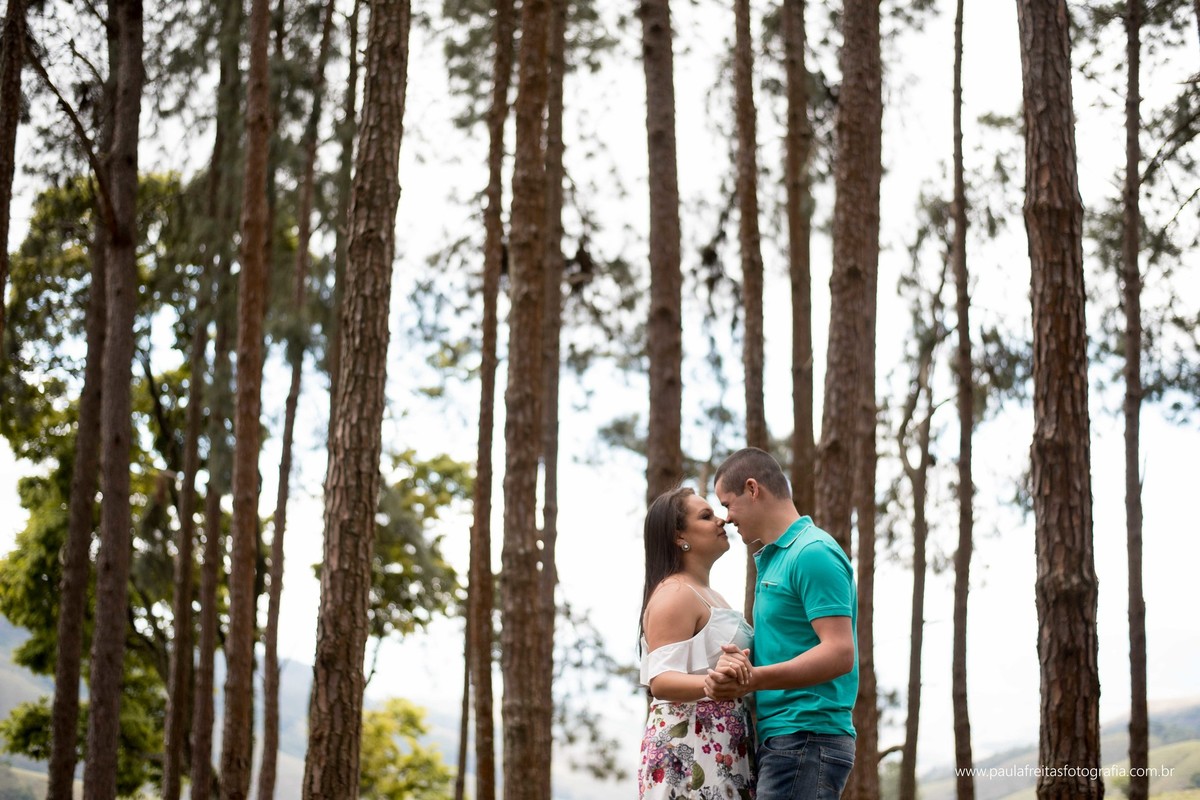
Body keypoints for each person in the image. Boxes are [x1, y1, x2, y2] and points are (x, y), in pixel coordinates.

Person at [705, 447, 858, 800]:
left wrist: (754, 678)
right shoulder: (778, 558)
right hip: (789, 739)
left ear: (752, 489)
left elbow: (839, 653)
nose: (726, 518)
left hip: (808, 737)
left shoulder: (812, 552)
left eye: (727, 504)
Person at [638, 486, 756, 800]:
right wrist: (712, 683)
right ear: (679, 537)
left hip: (723, 744)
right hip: (690, 746)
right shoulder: (675, 593)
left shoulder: (710, 594)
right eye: (706, 516)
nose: (721, 520)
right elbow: (661, 679)